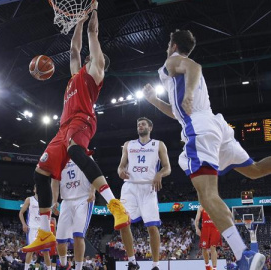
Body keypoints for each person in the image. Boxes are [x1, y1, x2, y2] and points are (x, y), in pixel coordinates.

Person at [144, 29, 271, 270]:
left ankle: (243, 255)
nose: (166, 47)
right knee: (254, 170)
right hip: (215, 125)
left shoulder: (173, 61)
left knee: (207, 195)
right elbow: (176, 112)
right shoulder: (175, 78)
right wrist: (154, 100)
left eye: (168, 43)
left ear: (173, 45)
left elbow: (195, 68)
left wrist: (189, 95)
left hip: (199, 127)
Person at [22, 1, 130, 253]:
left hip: (83, 120)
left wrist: (93, 11)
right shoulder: (75, 75)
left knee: (74, 150)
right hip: (63, 127)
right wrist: (77, 22)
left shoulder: (96, 71)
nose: (87, 55)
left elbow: (94, 33)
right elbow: (73, 50)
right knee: (41, 171)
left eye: (92, 55)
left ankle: (114, 204)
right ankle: (45, 231)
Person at [117, 117, 171, 270]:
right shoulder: (128, 145)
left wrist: (160, 174)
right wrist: (120, 171)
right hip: (130, 187)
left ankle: (155, 265)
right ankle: (133, 261)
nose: (140, 126)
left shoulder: (159, 144)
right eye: (138, 125)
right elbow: (121, 166)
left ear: (150, 128)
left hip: (148, 187)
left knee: (152, 228)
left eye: (143, 124)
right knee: (123, 222)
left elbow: (167, 168)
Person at [52, 160, 95, 270]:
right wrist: (54, 201)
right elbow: (55, 182)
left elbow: (94, 173)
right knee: (60, 241)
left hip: (84, 197)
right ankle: (64, 265)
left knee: (78, 235)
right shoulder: (59, 158)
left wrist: (92, 190)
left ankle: (79, 268)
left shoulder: (84, 154)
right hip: (66, 201)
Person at [18, 186, 52, 270]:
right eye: (37, 187)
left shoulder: (47, 200)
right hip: (32, 228)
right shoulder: (29, 199)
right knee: (30, 250)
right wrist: (24, 224)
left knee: (46, 252)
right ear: (34, 190)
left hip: (44, 229)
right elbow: (21, 213)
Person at [195, 205, 221, 270]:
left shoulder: (215, 205)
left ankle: (214, 268)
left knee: (213, 247)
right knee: (204, 248)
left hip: (214, 228)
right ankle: (207, 265)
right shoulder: (201, 207)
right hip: (205, 229)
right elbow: (197, 220)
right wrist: (197, 228)